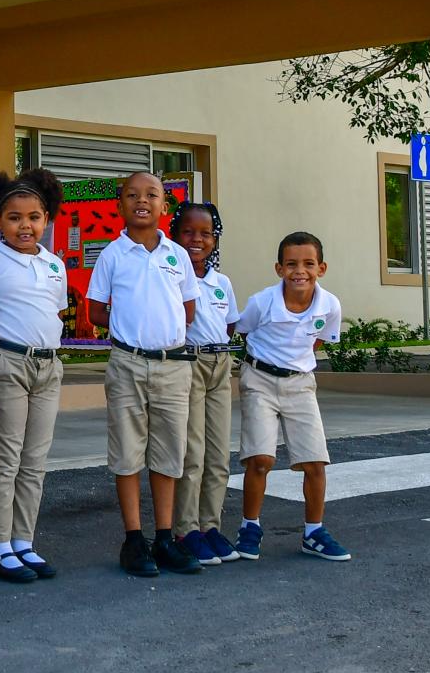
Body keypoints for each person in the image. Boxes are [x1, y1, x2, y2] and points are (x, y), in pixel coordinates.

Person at [84, 171, 200, 578]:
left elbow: (187, 310)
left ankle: (165, 537)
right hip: (128, 364)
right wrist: (130, 320)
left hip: (172, 365)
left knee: (169, 452)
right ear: (121, 206)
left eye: (151, 194)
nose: (142, 201)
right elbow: (96, 310)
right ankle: (134, 539)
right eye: (132, 195)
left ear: (164, 207)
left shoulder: (178, 255)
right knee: (128, 452)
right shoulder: (112, 254)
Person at [0, 168, 67, 583]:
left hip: (48, 366)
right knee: (4, 459)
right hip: (6, 364)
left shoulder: (54, 265)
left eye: (34, 217)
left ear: (46, 219)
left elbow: (54, 312)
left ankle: (24, 540)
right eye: (14, 217)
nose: (25, 226)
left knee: (35, 459)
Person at [232, 231, 350, 562]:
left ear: (321, 268)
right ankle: (250, 527)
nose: (300, 271)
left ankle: (314, 533)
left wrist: (295, 364)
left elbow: (319, 340)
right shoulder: (262, 302)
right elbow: (244, 331)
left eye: (309, 264)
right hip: (259, 379)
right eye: (291, 264)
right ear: (279, 268)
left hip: (300, 384)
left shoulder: (330, 305)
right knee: (260, 459)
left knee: (315, 461)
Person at [170, 202, 242, 568]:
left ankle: (211, 524)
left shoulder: (221, 282)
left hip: (220, 364)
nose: (197, 240)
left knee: (218, 453)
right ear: (175, 234)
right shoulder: (173, 277)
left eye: (206, 234)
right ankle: (186, 528)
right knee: (192, 452)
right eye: (188, 232)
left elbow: (229, 324)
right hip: (190, 362)